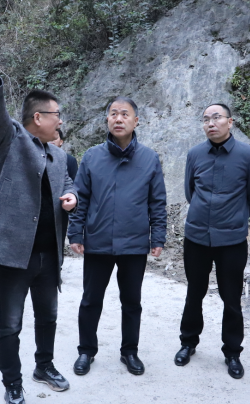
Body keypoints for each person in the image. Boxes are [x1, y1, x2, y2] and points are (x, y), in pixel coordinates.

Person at [0, 37, 78, 404]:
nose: (60, 120)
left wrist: (72, 197)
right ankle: (12, 382)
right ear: (38, 118)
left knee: (48, 317)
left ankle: (43, 366)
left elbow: (68, 184)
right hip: (13, 255)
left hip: (49, 255)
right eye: (56, 114)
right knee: (10, 324)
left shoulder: (60, 156)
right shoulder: (12, 140)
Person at [68, 96, 167, 377]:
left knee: (132, 302)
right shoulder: (92, 156)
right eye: (113, 113)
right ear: (107, 120)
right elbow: (80, 198)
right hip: (98, 241)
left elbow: (157, 202)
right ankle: (86, 351)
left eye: (125, 114)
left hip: (134, 244)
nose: (118, 119)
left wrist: (157, 237)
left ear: (136, 121)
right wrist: (76, 233)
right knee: (91, 300)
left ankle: (129, 351)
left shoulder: (149, 158)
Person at [175, 103, 250, 379]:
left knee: (231, 297)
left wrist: (234, 218)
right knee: (194, 292)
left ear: (230, 122)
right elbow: (190, 191)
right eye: (206, 119)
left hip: (232, 240)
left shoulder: (248, 155)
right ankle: (188, 343)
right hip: (197, 237)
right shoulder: (195, 154)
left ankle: (232, 352)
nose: (211, 123)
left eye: (216, 118)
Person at [50, 129, 78, 242]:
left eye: (55, 138)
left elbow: (73, 183)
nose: (52, 141)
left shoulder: (69, 160)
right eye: (50, 137)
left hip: (61, 206)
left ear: (61, 142)